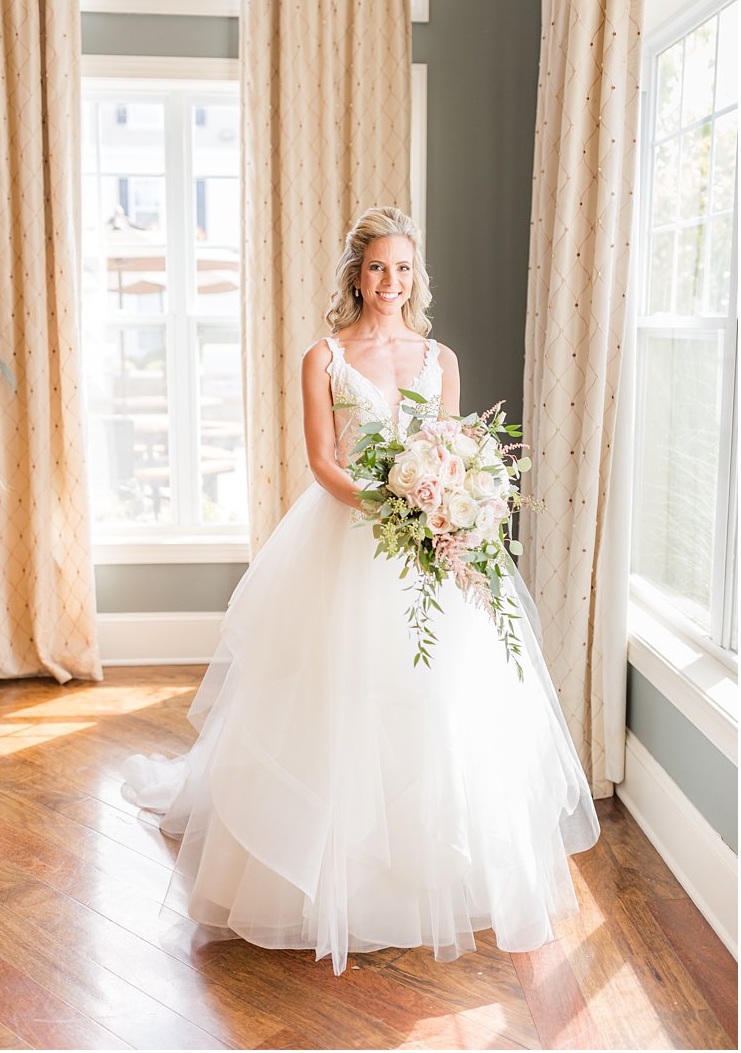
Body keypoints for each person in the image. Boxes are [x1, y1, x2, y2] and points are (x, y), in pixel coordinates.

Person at [122, 206, 600, 976]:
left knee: (440, 703)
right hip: (344, 536)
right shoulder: (324, 357)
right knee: (334, 703)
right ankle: (323, 878)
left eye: (404, 268)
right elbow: (322, 462)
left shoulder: (437, 358)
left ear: (417, 276)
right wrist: (391, 507)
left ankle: (427, 871)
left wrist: (439, 504)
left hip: (425, 551)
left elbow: (446, 448)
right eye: (378, 267)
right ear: (356, 274)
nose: (391, 282)